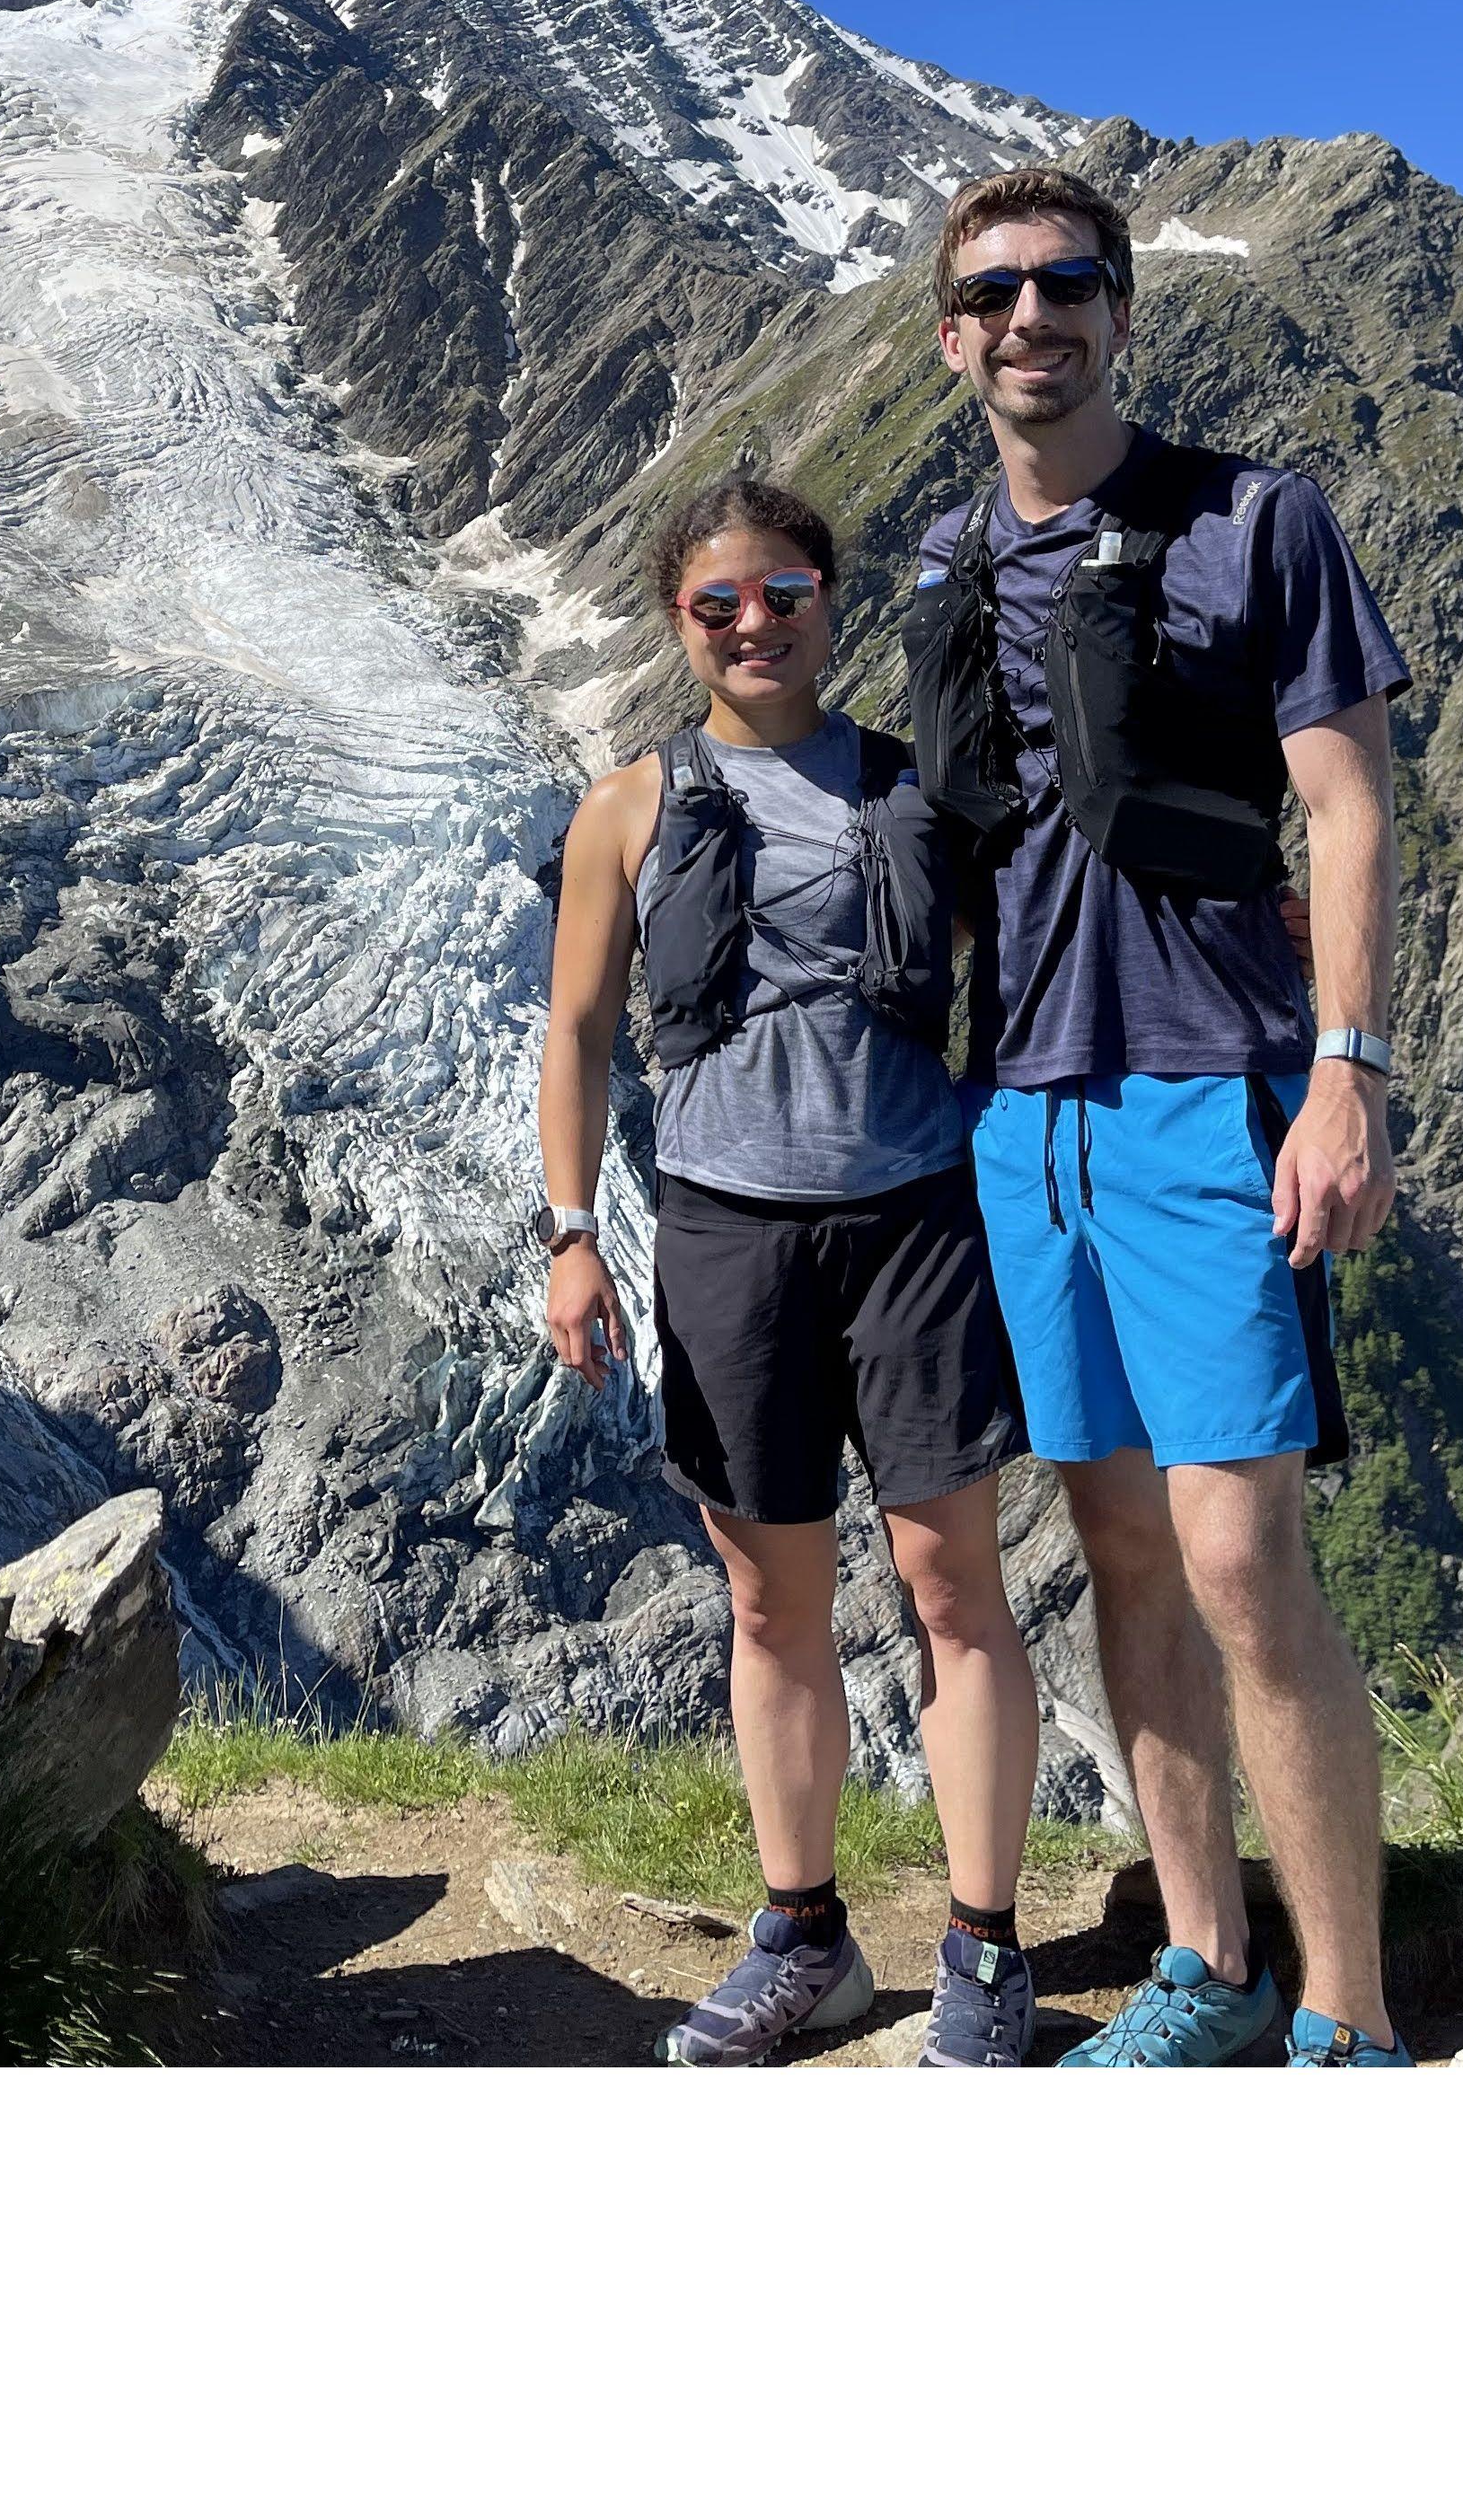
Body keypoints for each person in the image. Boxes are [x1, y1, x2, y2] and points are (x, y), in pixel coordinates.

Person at [920, 163, 1415, 2066]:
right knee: (1119, 1548)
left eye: (1063, 286)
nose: (1029, 320)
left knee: (1236, 1555)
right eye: (993, 295)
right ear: (955, 335)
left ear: (1121, 312)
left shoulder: (1254, 522)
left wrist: (1351, 1074)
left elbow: (1351, 802)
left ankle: (1352, 2019)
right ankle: (1209, 1964)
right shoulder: (958, 566)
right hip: (1026, 1114)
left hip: (1212, 1093)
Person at [538, 473, 1040, 2066]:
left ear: (831, 600)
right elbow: (578, 1029)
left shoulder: (912, 786)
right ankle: (805, 1937)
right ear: (678, 622)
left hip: (912, 1220)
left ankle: (981, 1947)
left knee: (956, 1587)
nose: (757, 624)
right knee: (773, 1603)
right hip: (725, 1230)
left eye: (787, 593)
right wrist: (568, 1233)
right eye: (719, 604)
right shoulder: (628, 806)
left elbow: (1049, 937)